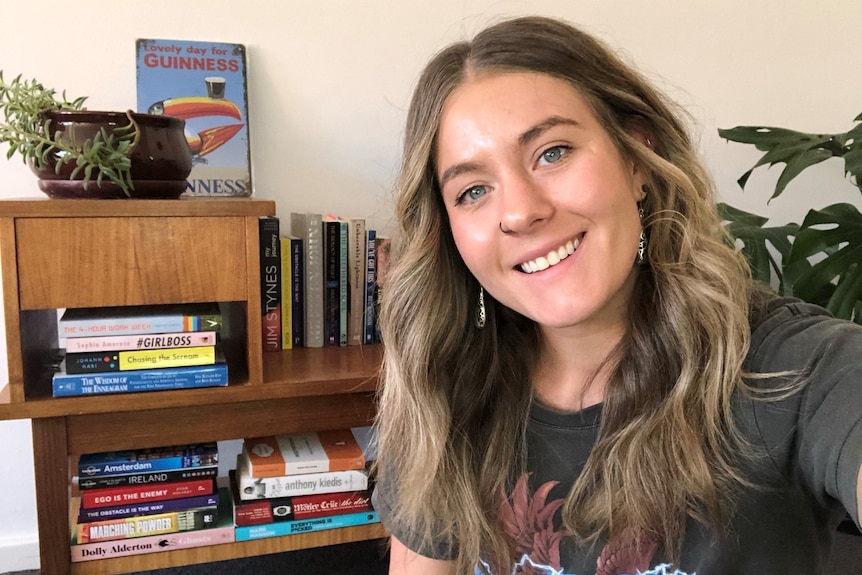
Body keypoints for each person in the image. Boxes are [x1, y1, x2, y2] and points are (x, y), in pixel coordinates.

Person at [371, 15, 862, 575]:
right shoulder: (441, 388)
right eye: (473, 190)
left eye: (552, 153)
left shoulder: (796, 368)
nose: (520, 211)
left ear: (636, 159)